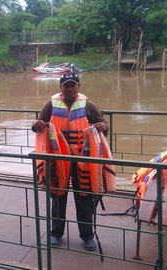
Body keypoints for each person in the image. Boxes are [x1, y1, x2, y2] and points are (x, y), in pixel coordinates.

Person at [31, 72, 108, 251]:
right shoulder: (50, 105)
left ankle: (87, 236)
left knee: (84, 197)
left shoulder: (89, 105)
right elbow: (36, 125)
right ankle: (56, 233)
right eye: (66, 85)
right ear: (61, 88)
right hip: (58, 159)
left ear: (79, 87)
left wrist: (103, 126)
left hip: (82, 158)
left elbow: (104, 124)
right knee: (58, 195)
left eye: (73, 85)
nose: (70, 88)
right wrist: (36, 125)